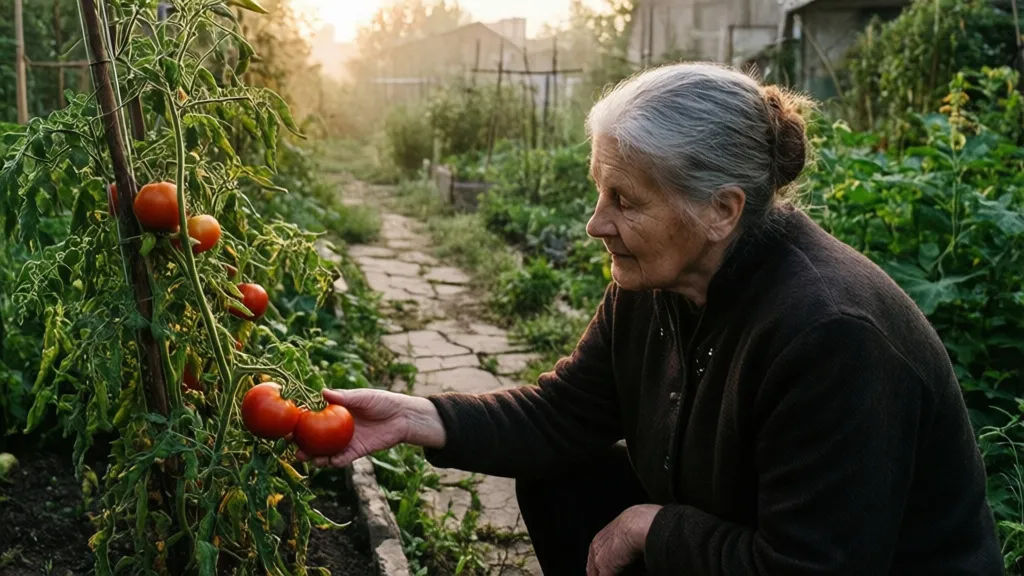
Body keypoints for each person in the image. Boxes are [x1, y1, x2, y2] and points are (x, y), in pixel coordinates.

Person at [301, 63, 1004, 575]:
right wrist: (418, 417)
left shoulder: (831, 334)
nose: (594, 223)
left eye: (624, 200)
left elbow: (812, 567)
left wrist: (653, 526)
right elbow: (565, 414)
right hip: (748, 536)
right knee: (561, 475)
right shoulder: (657, 284)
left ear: (721, 210)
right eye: (597, 191)